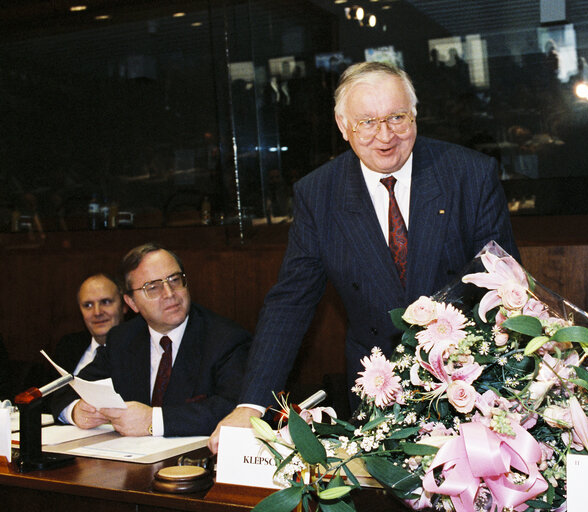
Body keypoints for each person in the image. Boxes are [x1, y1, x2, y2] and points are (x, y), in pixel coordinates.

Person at [209, 61, 519, 452]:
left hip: (470, 386)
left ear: (415, 114)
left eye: (397, 117)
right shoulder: (318, 193)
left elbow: (505, 287)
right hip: (378, 394)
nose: (385, 136)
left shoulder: (469, 174)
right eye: (367, 122)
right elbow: (290, 303)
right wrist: (251, 404)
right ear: (343, 126)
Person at [49, 243, 251, 437]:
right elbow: (67, 388)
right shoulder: (123, 339)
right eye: (153, 288)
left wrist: (153, 420)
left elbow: (238, 408)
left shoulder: (225, 338)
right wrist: (76, 411)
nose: (170, 294)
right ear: (131, 302)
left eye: (175, 280)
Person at [53, 274, 126, 376]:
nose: (97, 312)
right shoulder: (68, 348)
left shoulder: (141, 349)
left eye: (105, 302)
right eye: (88, 305)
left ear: (124, 306)